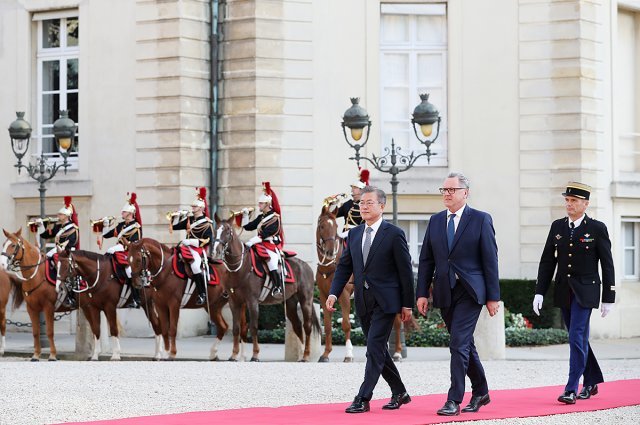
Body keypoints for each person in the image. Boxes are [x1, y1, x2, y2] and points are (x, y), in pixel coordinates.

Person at [416, 172, 500, 416]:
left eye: (452, 190)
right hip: (444, 291)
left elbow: (490, 260)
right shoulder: (435, 221)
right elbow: (426, 260)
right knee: (464, 344)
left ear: (465, 193)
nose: (447, 194)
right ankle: (482, 391)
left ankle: (454, 399)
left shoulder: (481, 220)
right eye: (444, 190)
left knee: (458, 343)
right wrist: (422, 293)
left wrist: (493, 297)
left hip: (471, 292)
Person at [327, 186, 414, 414]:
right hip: (363, 301)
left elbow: (405, 272)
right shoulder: (354, 234)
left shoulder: (394, 234)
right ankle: (400, 392)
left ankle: (363, 397)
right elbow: (344, 267)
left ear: (381, 206)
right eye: (361, 203)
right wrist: (333, 293)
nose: (363, 207)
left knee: (373, 348)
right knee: (378, 350)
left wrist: (408, 304)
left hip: (387, 302)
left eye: (368, 203)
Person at [532, 182, 615, 404]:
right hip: (564, 290)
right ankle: (591, 381)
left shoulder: (597, 228)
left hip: (586, 291)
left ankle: (571, 388)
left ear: (585, 204)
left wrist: (609, 297)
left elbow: (607, 265)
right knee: (578, 338)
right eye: (567, 200)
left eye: (574, 201)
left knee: (576, 336)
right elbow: (547, 261)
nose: (569, 204)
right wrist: (539, 291)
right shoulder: (557, 226)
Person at [242, 182, 285, 297]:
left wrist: (252, 241)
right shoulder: (261, 217)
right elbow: (248, 227)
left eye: (261, 204)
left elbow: (266, 234)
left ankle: (277, 287)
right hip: (260, 244)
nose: (259, 206)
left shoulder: (275, 218)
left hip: (271, 245)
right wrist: (245, 215)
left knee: (271, 262)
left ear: (267, 204)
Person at [171, 187, 213, 305]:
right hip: (185, 248)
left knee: (195, 266)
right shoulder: (189, 219)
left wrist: (191, 242)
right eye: (192, 207)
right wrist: (176, 217)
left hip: (197, 249)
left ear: (201, 208)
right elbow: (175, 227)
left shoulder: (206, 223)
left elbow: (208, 240)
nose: (192, 208)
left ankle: (202, 293)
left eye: (194, 207)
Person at [101, 192, 142, 308]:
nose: (121, 213)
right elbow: (106, 235)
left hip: (129, 254)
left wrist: (126, 243)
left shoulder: (136, 227)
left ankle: (136, 299)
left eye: (124, 212)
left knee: (130, 272)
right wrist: (105, 225)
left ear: (130, 213)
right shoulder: (121, 226)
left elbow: (135, 245)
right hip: (119, 251)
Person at [38, 196, 80, 308]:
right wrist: (41, 225)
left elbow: (72, 241)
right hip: (58, 251)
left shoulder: (73, 228)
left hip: (68, 253)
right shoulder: (58, 227)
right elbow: (45, 235)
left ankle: (70, 296)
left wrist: (62, 249)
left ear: (66, 216)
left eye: (60, 214)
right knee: (46, 258)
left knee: (66, 272)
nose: (58, 216)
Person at [335, 169, 369, 238]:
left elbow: (366, 225)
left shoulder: (365, 205)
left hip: (358, 237)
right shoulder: (347, 204)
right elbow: (334, 214)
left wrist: (349, 233)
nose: (352, 189)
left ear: (361, 190)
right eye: (352, 187)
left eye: (355, 188)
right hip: (345, 237)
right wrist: (334, 203)